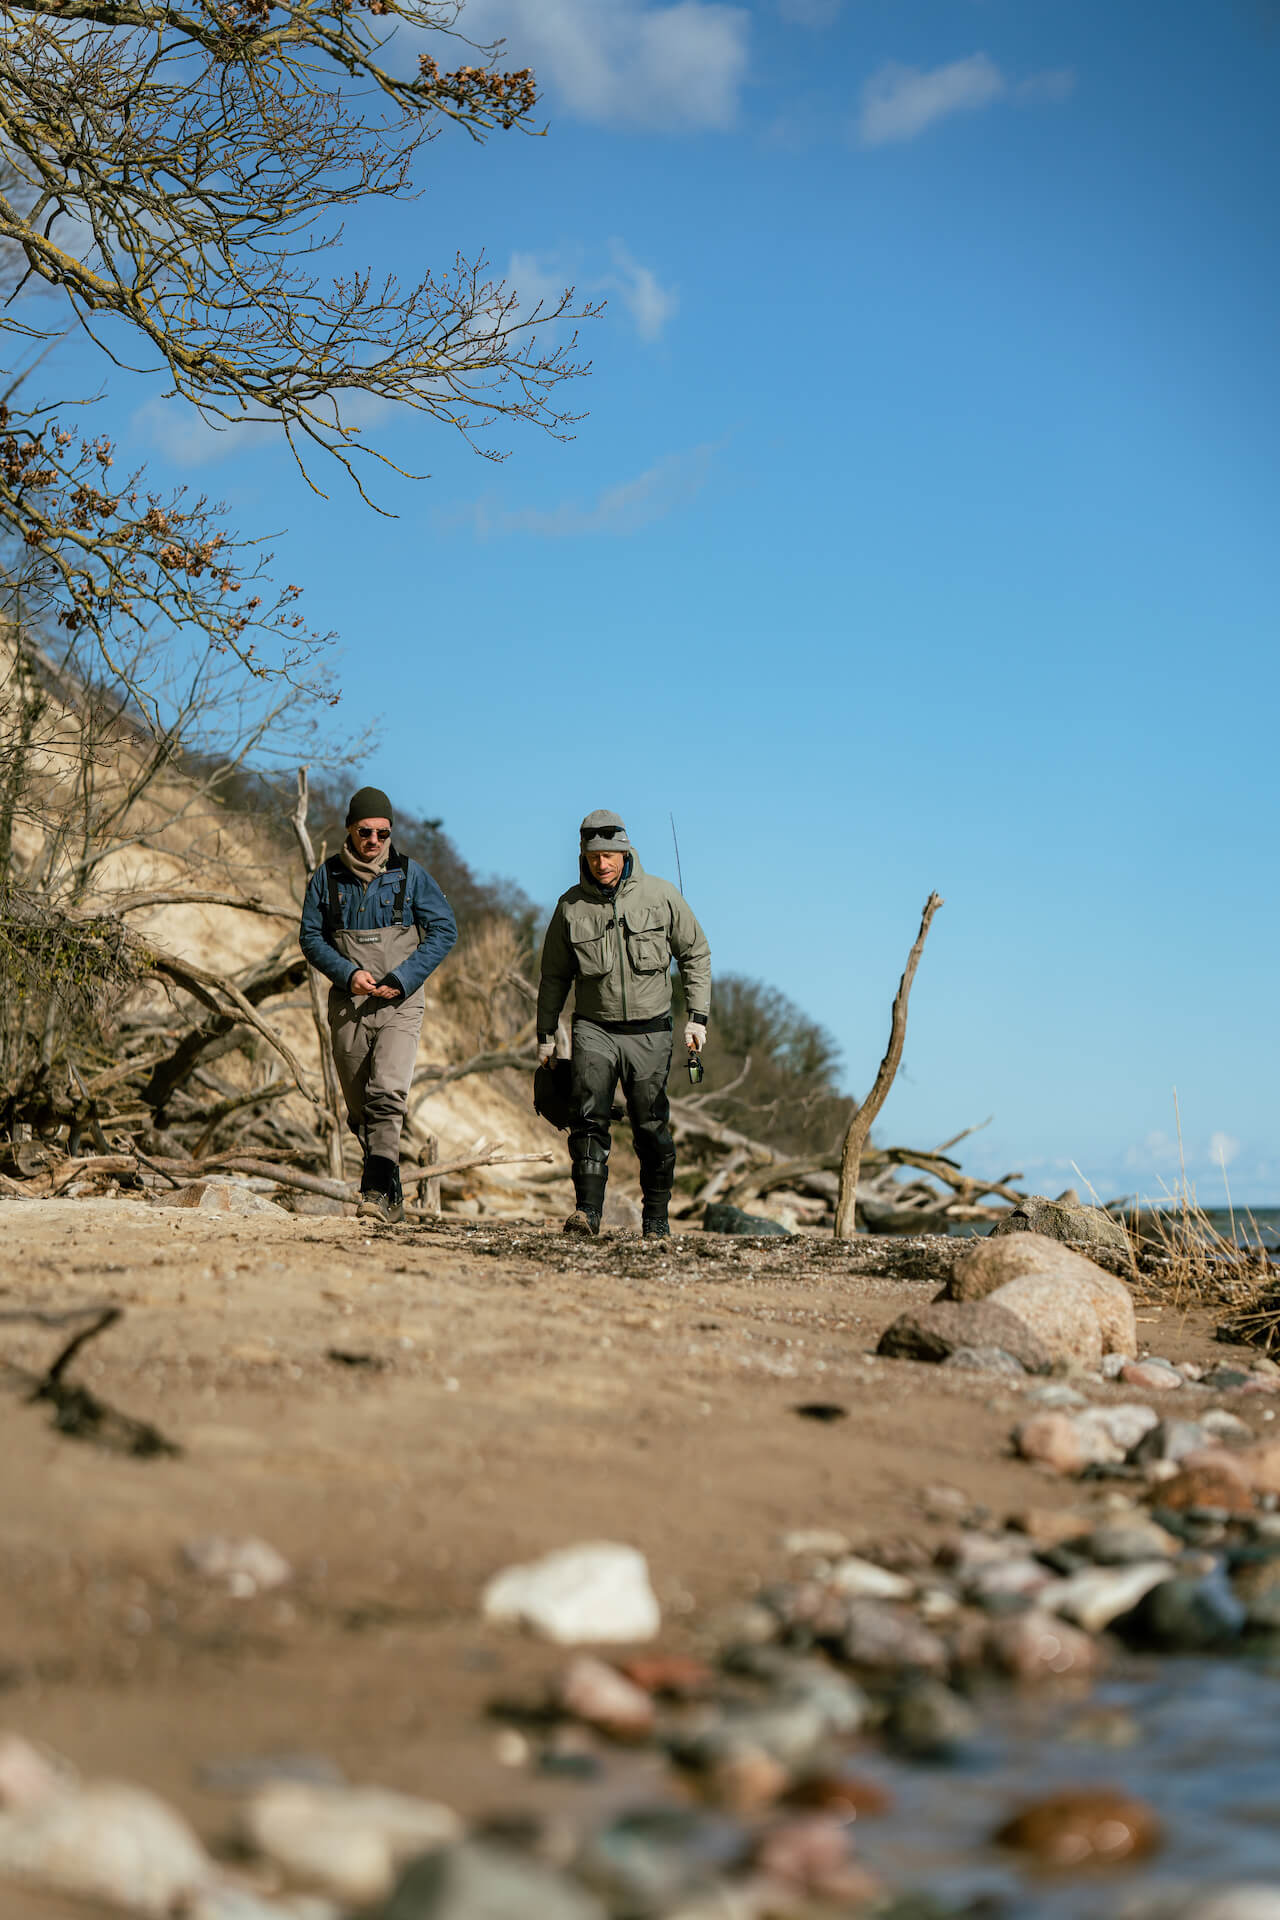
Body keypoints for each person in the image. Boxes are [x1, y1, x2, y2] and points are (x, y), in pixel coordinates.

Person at [536, 809, 711, 1239]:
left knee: (650, 1123)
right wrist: (545, 1035)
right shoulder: (570, 907)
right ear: (584, 855)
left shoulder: (661, 895)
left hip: (651, 1029)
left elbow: (696, 954)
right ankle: (587, 1214)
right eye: (594, 856)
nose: (603, 863)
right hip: (594, 1027)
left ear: (625, 850)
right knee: (587, 1115)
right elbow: (554, 975)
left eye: (611, 854)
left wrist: (697, 1017)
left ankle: (656, 1219)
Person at [299, 785, 457, 1223]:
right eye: (365, 831)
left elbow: (445, 931)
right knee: (360, 1110)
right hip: (348, 1005)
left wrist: (404, 979)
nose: (374, 840)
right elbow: (309, 937)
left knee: (387, 1093)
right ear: (350, 829)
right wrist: (348, 974)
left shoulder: (412, 876)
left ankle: (371, 1193)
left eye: (383, 833)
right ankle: (391, 1189)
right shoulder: (326, 879)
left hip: (400, 1005)